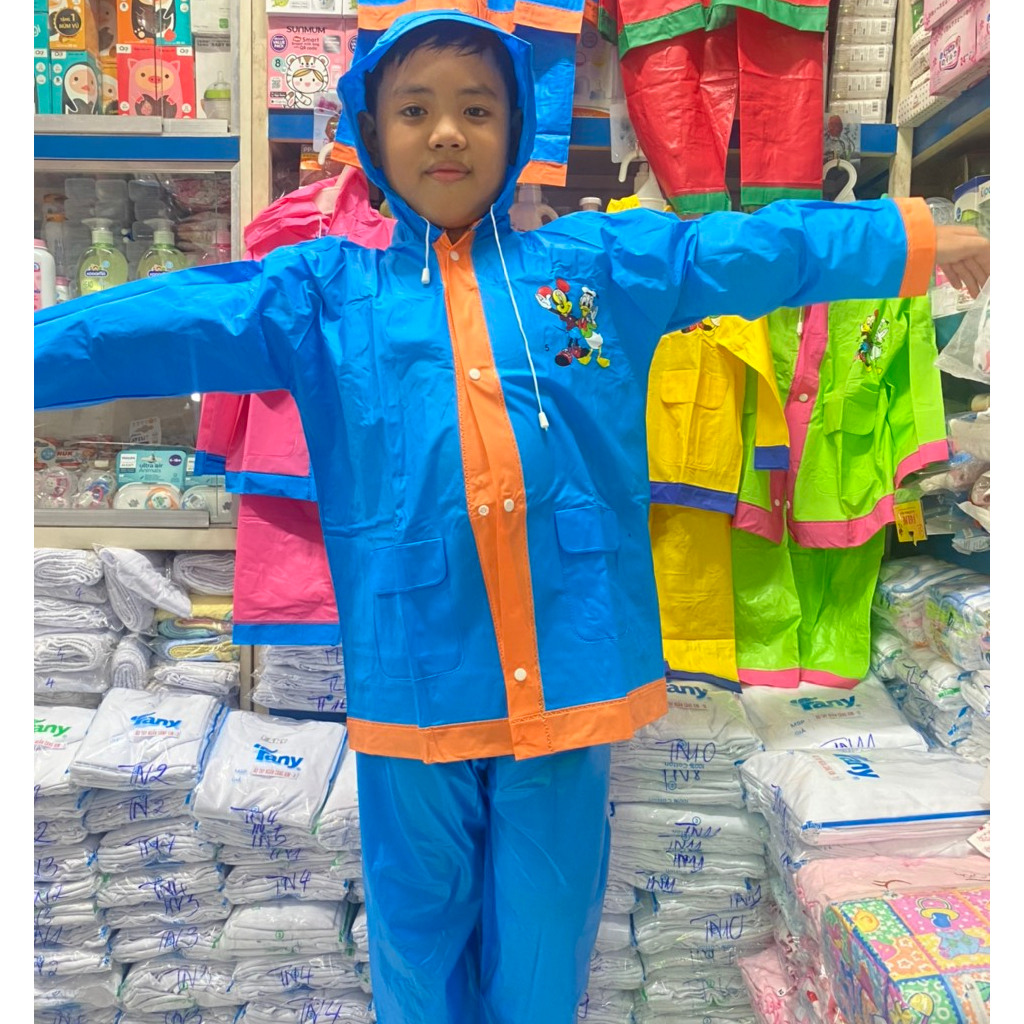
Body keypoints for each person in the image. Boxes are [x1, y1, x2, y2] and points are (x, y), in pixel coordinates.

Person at [34, 12, 990, 1023]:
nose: (447, 131)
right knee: (417, 940)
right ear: (371, 131)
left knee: (543, 941)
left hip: (572, 670)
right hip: (417, 673)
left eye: (477, 109)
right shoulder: (322, 293)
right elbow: (153, 322)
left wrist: (907, 235)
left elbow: (745, 248)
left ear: (518, 126)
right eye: (415, 110)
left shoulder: (594, 267)